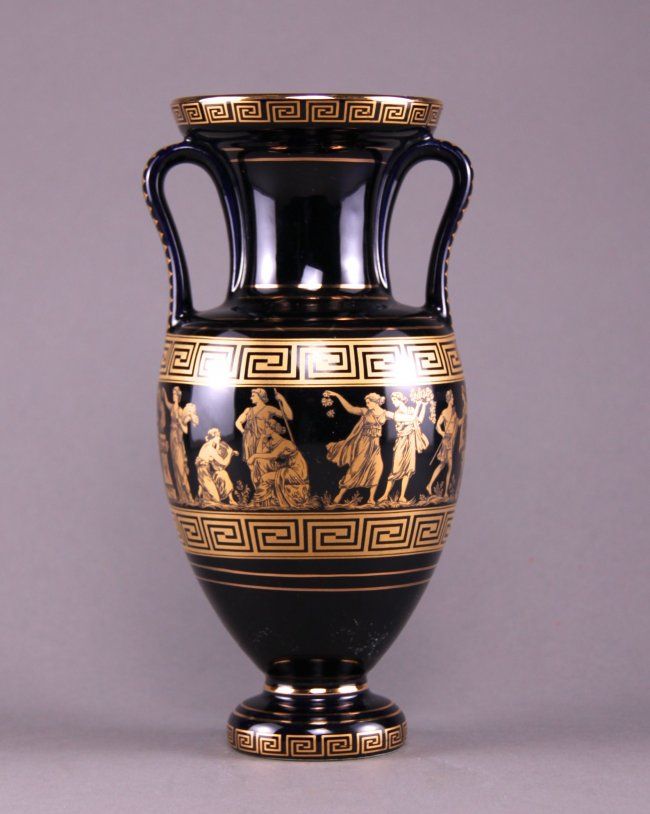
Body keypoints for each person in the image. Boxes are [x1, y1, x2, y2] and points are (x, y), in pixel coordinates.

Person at [324, 391, 388, 505]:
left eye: (368, 402)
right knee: (355, 469)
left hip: (375, 447)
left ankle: (371, 498)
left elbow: (399, 417)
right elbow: (350, 409)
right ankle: (339, 495)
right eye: (366, 403)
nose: (367, 404)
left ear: (375, 402)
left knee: (377, 468)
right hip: (364, 445)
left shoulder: (384, 413)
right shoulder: (365, 411)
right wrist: (338, 395)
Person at [235, 389, 293, 486]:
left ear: (260, 396)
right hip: (249, 441)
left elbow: (289, 416)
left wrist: (282, 399)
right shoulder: (248, 410)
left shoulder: (269, 409)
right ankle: (259, 491)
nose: (251, 398)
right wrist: (244, 432)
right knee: (252, 468)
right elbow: (238, 422)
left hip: (263, 441)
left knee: (263, 465)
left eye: (253, 395)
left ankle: (267, 489)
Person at [247, 419, 310, 508]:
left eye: (266, 427)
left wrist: (254, 456)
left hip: (297, 472)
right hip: (287, 469)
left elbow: (273, 456)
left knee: (265, 477)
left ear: (272, 429)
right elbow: (261, 454)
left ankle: (257, 502)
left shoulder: (285, 443)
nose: (264, 430)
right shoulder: (271, 442)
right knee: (261, 464)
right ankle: (266, 501)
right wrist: (261, 439)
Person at [379, 392, 429, 503]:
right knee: (395, 469)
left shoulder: (411, 410)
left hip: (410, 441)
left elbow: (419, 420)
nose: (393, 402)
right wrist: (418, 404)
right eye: (392, 400)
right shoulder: (397, 414)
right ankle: (385, 495)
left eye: (394, 400)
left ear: (400, 399)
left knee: (408, 470)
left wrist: (424, 406)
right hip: (401, 442)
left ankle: (402, 496)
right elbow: (411, 419)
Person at [161, 386, 198, 504]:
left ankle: (189, 496)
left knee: (180, 467)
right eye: (172, 393)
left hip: (178, 439)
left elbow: (186, 430)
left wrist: (179, 421)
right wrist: (163, 393)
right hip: (172, 437)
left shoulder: (181, 411)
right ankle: (182, 496)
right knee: (175, 467)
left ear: (178, 396)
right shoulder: (173, 407)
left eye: (175, 394)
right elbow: (166, 403)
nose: (173, 396)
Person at [426, 389, 465, 498]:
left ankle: (441, 490)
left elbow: (459, 423)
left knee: (445, 465)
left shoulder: (454, 413)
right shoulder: (445, 412)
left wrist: (464, 412)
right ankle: (441, 490)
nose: (453, 400)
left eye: (453, 398)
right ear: (448, 399)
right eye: (452, 398)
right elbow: (438, 426)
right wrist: (443, 433)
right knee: (448, 465)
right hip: (446, 440)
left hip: (452, 441)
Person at [195, 428, 238, 507]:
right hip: (204, 473)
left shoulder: (207, 445)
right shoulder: (210, 448)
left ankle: (230, 500)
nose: (220, 438)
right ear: (214, 437)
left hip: (208, 472)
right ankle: (200, 494)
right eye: (218, 436)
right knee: (216, 501)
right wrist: (230, 453)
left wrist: (218, 446)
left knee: (223, 473)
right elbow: (223, 462)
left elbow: (216, 464)